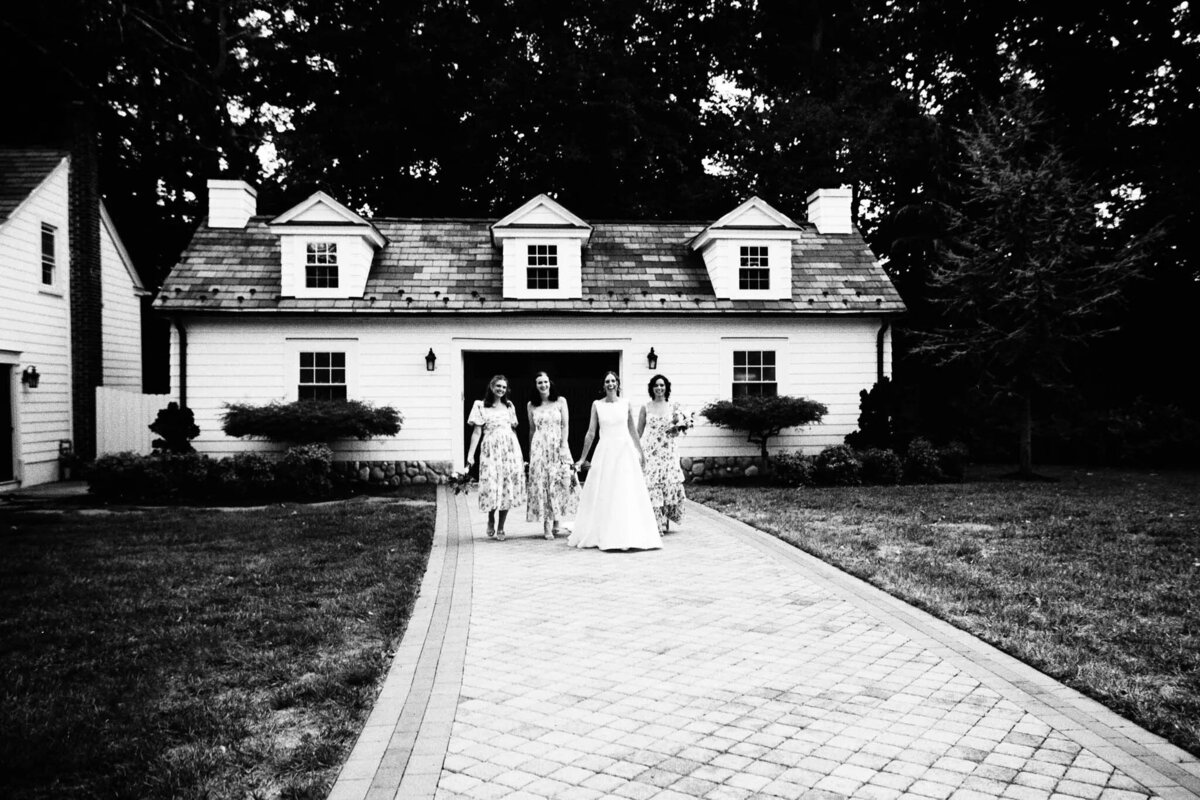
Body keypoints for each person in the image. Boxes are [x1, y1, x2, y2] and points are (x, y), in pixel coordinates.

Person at [568, 371, 662, 552]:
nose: (610, 384)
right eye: (607, 381)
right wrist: (582, 458)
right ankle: (603, 530)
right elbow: (591, 432)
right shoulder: (597, 405)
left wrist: (640, 452)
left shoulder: (626, 403)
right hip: (605, 452)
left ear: (618, 384)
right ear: (603, 385)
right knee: (604, 491)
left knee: (625, 490)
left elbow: (632, 429)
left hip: (624, 451)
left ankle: (628, 532)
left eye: (613, 381)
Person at [465, 374, 526, 540]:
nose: (501, 389)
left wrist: (518, 455)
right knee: (492, 485)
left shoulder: (509, 406)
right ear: (492, 386)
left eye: (504, 387)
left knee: (507, 486)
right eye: (498, 386)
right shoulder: (480, 406)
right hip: (490, 449)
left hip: (509, 450)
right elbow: (477, 432)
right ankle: (491, 518)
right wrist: (470, 455)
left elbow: (513, 430)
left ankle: (501, 526)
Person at [526, 372, 580, 539]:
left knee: (560, 481)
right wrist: (530, 453)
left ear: (550, 383)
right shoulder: (531, 405)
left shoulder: (560, 401)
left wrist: (564, 445)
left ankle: (557, 518)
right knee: (543, 483)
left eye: (545, 382)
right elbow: (532, 429)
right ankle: (546, 524)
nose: (543, 385)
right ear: (536, 385)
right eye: (539, 382)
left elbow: (565, 425)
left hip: (558, 446)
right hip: (539, 448)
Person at [638, 374, 687, 534]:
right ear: (652, 388)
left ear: (666, 387)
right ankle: (656, 522)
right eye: (656, 385)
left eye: (662, 385)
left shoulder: (673, 408)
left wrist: (678, 429)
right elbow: (638, 431)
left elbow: (677, 431)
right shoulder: (645, 407)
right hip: (651, 451)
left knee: (667, 484)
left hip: (667, 451)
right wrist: (635, 450)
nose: (659, 388)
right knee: (652, 485)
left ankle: (665, 519)